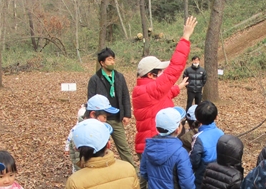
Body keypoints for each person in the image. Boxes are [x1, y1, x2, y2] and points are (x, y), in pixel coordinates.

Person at [132, 16, 197, 157]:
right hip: (155, 146)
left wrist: (177, 88)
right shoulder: (151, 89)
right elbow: (175, 68)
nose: (163, 72)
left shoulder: (145, 89)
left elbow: (163, 95)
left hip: (149, 144)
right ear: (150, 75)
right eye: (160, 71)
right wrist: (185, 37)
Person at [88, 48, 136, 167]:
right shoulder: (95, 79)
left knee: (124, 147)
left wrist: (126, 114)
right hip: (101, 119)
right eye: (109, 60)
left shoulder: (119, 77)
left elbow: (125, 95)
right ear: (102, 63)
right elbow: (91, 100)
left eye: (113, 59)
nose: (112, 62)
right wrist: (95, 118)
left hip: (116, 117)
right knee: (99, 147)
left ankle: (132, 170)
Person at [189, 101, 224, 189]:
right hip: (217, 177)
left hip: (200, 178)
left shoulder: (199, 138)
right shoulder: (221, 134)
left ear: (197, 119)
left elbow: (194, 161)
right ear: (216, 117)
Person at [66, 95, 117, 172]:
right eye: (104, 117)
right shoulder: (80, 134)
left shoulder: (98, 129)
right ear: (93, 114)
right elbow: (78, 162)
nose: (105, 120)